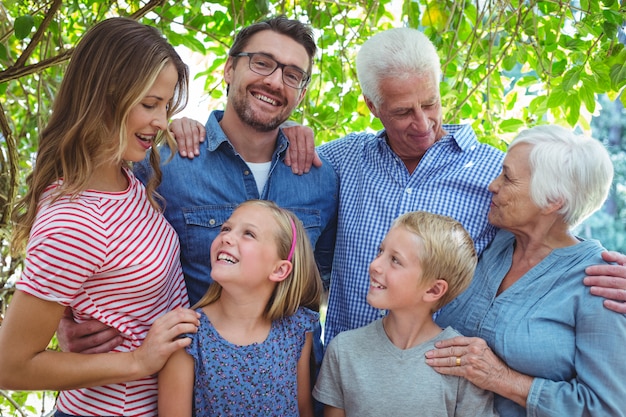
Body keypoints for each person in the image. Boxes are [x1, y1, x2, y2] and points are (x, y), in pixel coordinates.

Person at [0, 17, 200, 417]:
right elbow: (10, 365)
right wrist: (137, 361)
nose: (161, 121)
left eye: (165, 106)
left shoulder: (125, 179)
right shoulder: (74, 222)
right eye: (149, 104)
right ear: (104, 97)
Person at [425, 125, 626, 416]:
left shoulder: (600, 282)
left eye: (507, 177)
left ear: (552, 200)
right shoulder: (490, 242)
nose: (492, 185)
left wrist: (503, 379)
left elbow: (607, 408)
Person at [313, 211, 499, 417]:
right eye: (380, 251)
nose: (374, 265)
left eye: (395, 260)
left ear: (433, 290)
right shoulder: (343, 350)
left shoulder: (462, 362)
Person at [158, 200, 320, 417]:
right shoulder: (187, 336)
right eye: (225, 228)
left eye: (249, 234)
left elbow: (303, 409)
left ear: (280, 269)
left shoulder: (297, 329)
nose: (226, 237)